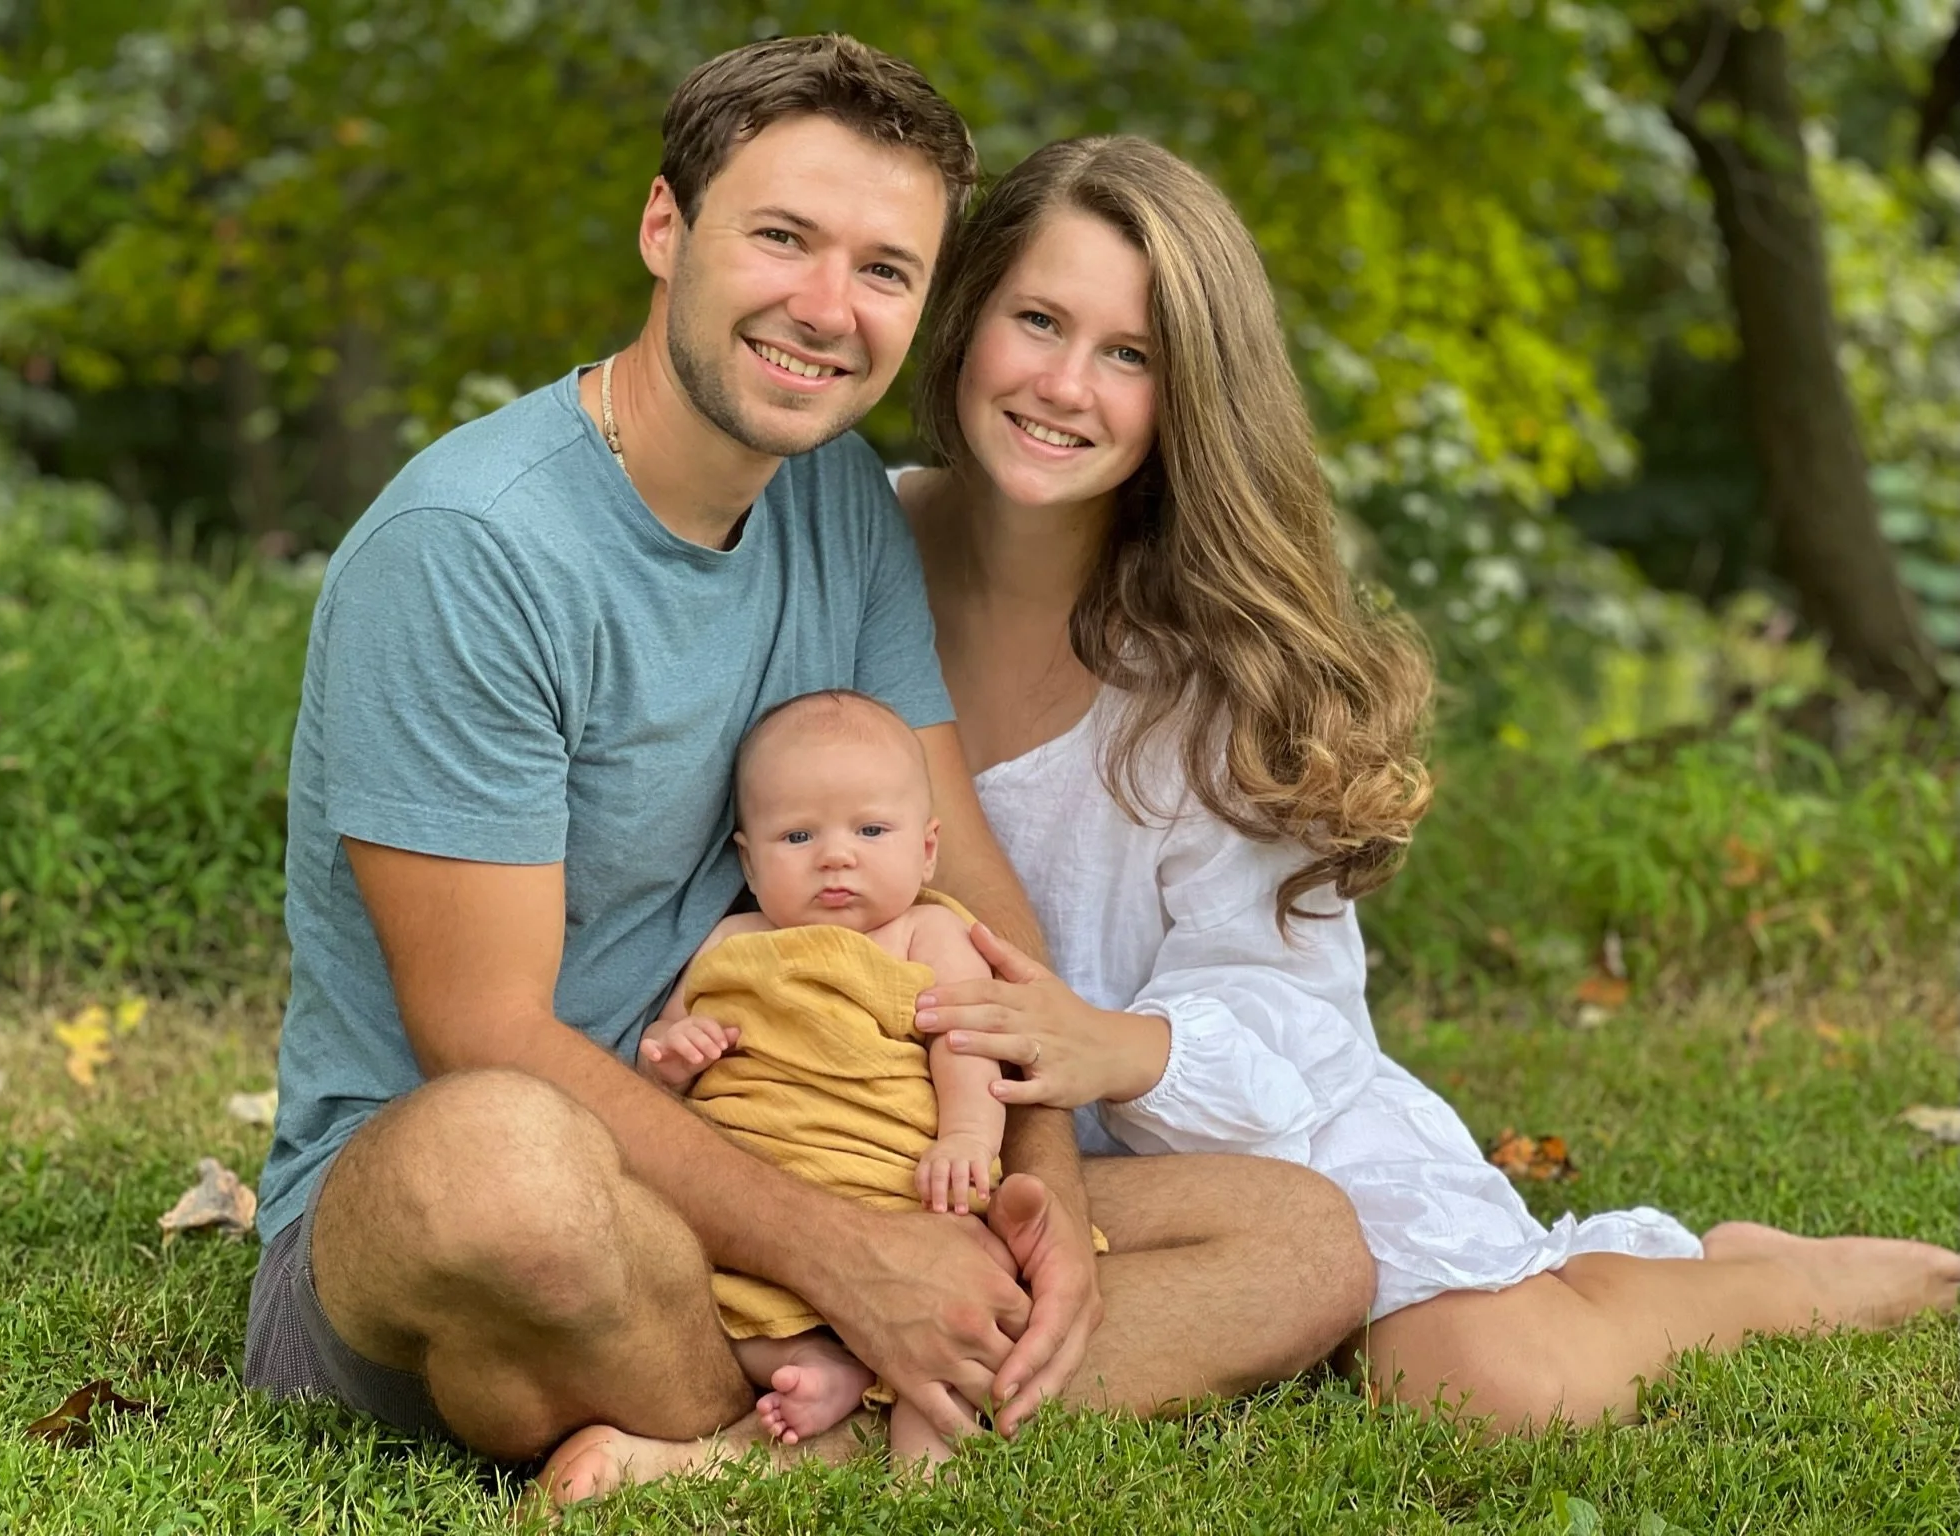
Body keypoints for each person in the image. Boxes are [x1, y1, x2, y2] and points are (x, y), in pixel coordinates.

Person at [243, 39, 1374, 1505]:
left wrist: (1037, 1191)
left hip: (837, 1146)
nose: (827, 310)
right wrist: (850, 1258)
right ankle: (855, 1395)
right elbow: (481, 1029)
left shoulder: (835, 496)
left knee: (1303, 1238)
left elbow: (964, 881)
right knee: (499, 1172)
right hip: (541, 1195)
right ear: (667, 229)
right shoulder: (471, 553)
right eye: (782, 237)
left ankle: (731, 1454)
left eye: (885, 269)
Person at [894, 134, 1960, 1433]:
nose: (1066, 384)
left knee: (1486, 1385)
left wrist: (1108, 1046)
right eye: (1039, 321)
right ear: (967, 319)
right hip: (955, 1140)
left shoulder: (1215, 665)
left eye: (1131, 355)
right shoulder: (855, 551)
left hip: (1235, 1127)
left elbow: (1297, 1013)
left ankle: (1757, 1280)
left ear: (1190, 397)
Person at [631, 689, 1005, 1468]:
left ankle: (923, 1475)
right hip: (758, 1209)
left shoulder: (927, 932)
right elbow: (663, 1061)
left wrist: (967, 1136)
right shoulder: (731, 940)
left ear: (927, 850)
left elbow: (966, 1043)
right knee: (706, 1307)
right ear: (746, 858)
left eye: (870, 830)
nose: (836, 856)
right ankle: (830, 1372)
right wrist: (673, 1049)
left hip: (895, 1186)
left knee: (970, 1296)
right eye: (797, 835)